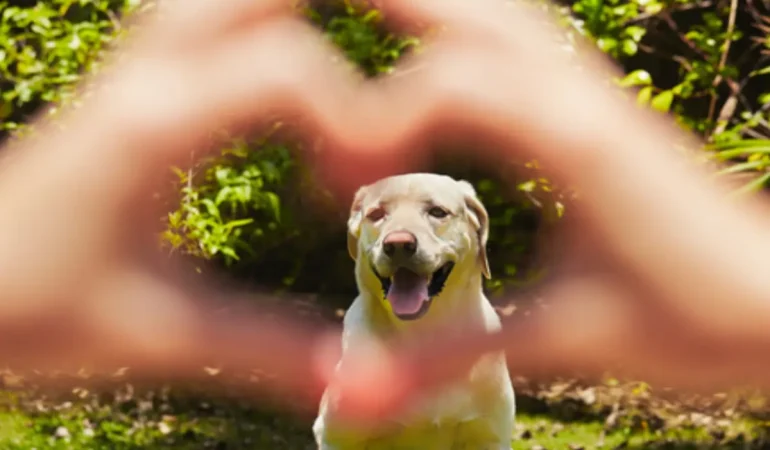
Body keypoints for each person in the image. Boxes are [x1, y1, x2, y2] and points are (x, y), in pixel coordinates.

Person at [1, 0, 769, 423]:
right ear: (355, 239)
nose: (401, 236)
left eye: (435, 215)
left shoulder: (487, 328)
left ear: (476, 231)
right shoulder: (358, 318)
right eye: (378, 222)